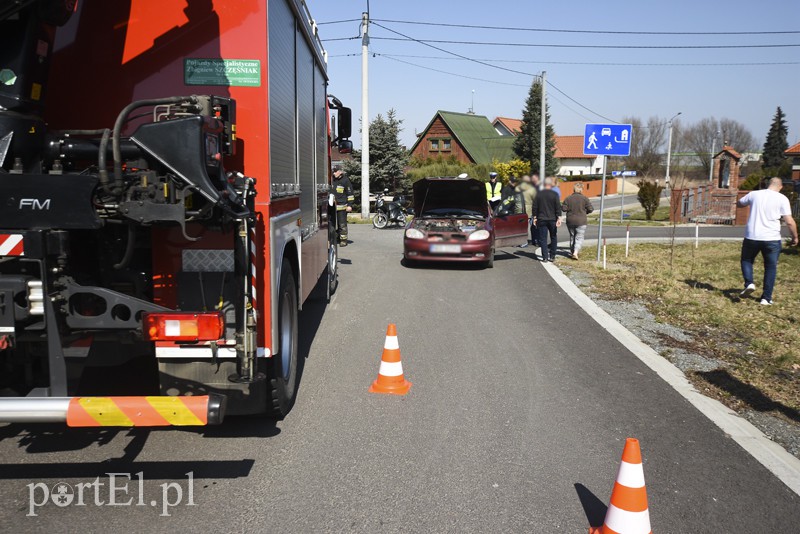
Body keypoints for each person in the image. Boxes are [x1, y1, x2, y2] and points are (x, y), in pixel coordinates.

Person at [737, 177, 798, 305]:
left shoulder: (754, 194)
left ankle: (749, 283)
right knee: (770, 267)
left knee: (747, 260)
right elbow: (789, 221)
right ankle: (766, 298)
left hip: (752, 236)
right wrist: (795, 237)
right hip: (772, 239)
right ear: (780, 186)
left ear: (769, 184)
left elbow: (740, 202)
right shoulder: (782, 199)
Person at [532, 177, 562, 262]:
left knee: (543, 238)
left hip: (541, 219)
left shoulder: (538, 194)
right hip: (552, 219)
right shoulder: (555, 194)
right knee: (553, 236)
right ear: (551, 184)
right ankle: (552, 256)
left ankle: (545, 257)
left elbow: (535, 207)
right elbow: (557, 207)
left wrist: (535, 217)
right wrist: (559, 218)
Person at [561, 182, 594, 260]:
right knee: (579, 237)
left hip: (570, 220)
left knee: (572, 236)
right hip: (581, 220)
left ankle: (572, 252)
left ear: (574, 189)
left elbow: (564, 209)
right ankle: (575, 252)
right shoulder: (585, 198)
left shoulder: (568, 198)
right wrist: (585, 212)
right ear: (581, 190)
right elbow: (591, 209)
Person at [332, 166, 354, 246]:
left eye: (335, 171)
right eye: (333, 171)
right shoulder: (332, 179)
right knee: (331, 224)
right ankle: (334, 238)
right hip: (332, 207)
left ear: (340, 172)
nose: (334, 173)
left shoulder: (345, 180)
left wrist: (349, 205)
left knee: (342, 224)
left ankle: (343, 240)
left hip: (342, 207)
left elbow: (350, 194)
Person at [516, 175, 536, 248]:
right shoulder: (532, 189)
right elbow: (535, 200)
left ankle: (523, 242)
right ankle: (535, 240)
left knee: (522, 227)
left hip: (520, 211)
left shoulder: (517, 189)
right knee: (533, 226)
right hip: (530, 210)